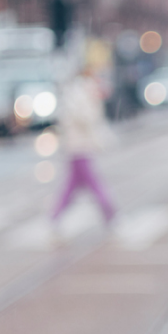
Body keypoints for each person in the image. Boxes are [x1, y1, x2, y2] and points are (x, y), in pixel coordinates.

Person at [51, 66, 116, 225]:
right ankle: (112, 216)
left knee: (71, 189)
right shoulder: (81, 93)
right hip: (79, 148)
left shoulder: (81, 92)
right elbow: (86, 119)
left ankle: (54, 219)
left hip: (79, 148)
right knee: (95, 185)